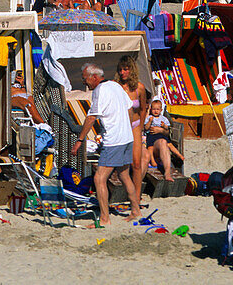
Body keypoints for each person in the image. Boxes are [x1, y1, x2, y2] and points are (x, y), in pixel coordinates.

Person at [72, 63, 142, 226]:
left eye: (85, 79)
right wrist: (127, 127)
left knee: (99, 178)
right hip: (126, 137)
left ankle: (104, 219)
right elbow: (130, 108)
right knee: (124, 174)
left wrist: (79, 141)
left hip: (114, 140)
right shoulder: (115, 85)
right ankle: (136, 210)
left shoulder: (99, 90)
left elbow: (91, 118)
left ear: (94, 77)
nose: (84, 83)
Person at [116, 55, 148, 184]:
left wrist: (140, 127)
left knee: (137, 163)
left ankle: (136, 195)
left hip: (135, 126)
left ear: (132, 70)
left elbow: (143, 108)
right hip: (121, 127)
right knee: (123, 164)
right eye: (120, 69)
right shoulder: (116, 87)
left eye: (125, 69)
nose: (122, 72)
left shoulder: (139, 88)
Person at [143, 99, 183, 180]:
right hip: (150, 136)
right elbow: (145, 128)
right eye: (154, 109)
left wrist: (163, 128)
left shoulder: (163, 118)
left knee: (167, 143)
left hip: (160, 136)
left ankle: (178, 156)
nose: (155, 111)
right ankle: (153, 161)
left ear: (161, 110)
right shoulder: (149, 118)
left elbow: (168, 129)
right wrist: (149, 122)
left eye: (157, 109)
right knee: (150, 147)